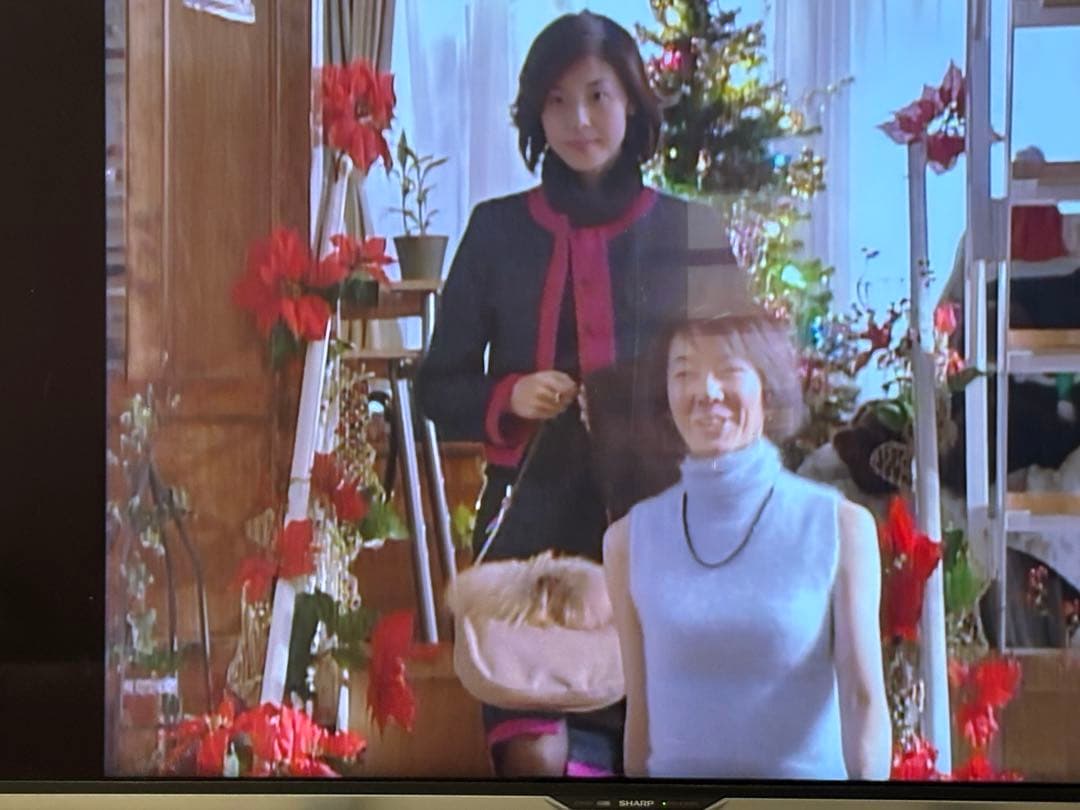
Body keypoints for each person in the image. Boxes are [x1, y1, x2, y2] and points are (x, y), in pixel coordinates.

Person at [415, 10, 741, 778]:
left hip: (670, 536)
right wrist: (510, 395)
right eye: (557, 102)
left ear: (632, 102)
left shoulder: (693, 231)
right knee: (536, 752)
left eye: (598, 96)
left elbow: (743, 382)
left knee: (659, 758)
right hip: (529, 550)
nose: (580, 121)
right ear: (535, 115)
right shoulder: (495, 231)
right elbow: (436, 388)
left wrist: (658, 407)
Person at [602, 312, 892, 779]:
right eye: (684, 373)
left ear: (767, 388)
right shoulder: (628, 540)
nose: (706, 392)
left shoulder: (839, 527)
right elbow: (641, 715)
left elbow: (863, 701)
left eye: (728, 370)